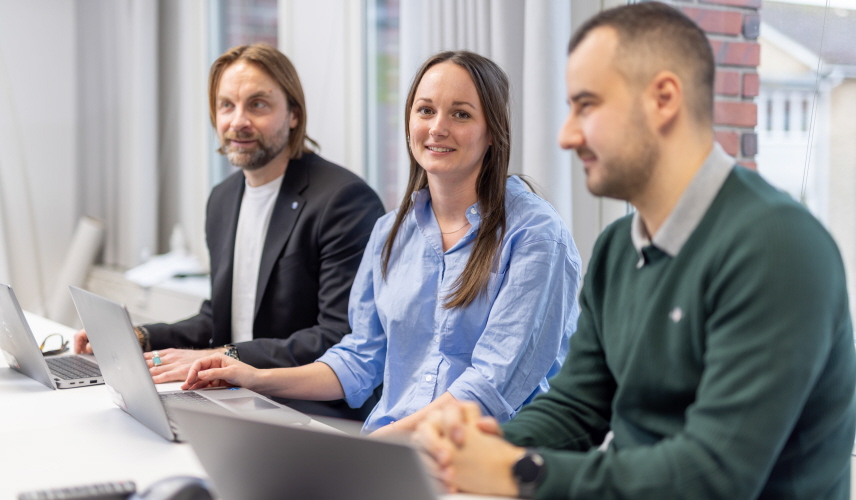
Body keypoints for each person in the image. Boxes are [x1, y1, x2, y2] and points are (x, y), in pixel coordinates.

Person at [414, 3, 856, 499]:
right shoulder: (617, 251)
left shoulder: (779, 248)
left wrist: (519, 471)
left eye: (587, 106)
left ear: (663, 99)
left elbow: (713, 477)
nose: (567, 135)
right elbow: (577, 408)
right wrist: (474, 448)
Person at [181, 50, 582, 436]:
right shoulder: (391, 232)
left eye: (460, 114)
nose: (437, 127)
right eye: (425, 110)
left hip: (480, 459)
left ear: (492, 131)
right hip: (393, 451)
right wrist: (254, 378)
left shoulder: (535, 234)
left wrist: (373, 449)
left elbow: (488, 391)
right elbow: (359, 360)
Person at [74, 43, 384, 420]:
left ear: (293, 115)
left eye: (257, 104)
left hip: (308, 407)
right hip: (232, 393)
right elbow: (221, 317)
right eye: (226, 105)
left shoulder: (343, 200)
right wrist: (140, 337)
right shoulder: (223, 199)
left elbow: (337, 336)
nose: (238, 121)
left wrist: (224, 356)